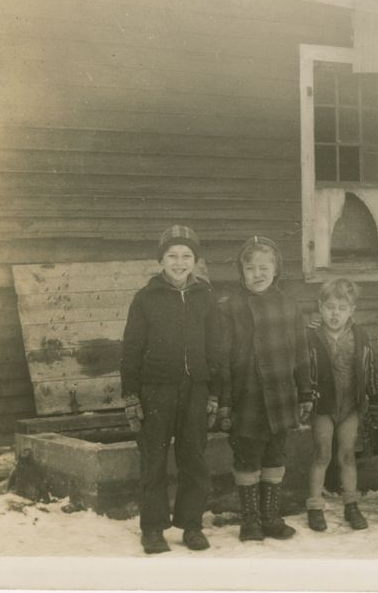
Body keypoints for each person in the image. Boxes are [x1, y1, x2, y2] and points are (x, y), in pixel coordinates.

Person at [120, 225, 223, 554]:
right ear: (161, 260)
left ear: (196, 261)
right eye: (172, 256)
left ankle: (191, 524)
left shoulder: (205, 297)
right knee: (154, 459)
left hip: (196, 389)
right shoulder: (146, 298)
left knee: (194, 457)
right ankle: (152, 528)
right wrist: (131, 394)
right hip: (156, 391)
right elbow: (131, 349)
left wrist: (215, 392)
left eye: (186, 256)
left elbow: (216, 347)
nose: (179, 263)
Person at [216, 236, 311, 543]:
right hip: (248, 396)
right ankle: (250, 520)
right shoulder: (230, 308)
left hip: (281, 394)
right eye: (251, 267)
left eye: (264, 267)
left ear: (276, 269)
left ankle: (271, 516)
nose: (258, 273)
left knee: (275, 454)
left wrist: (305, 392)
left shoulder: (288, 305)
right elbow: (224, 359)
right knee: (248, 456)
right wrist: (226, 403)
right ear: (241, 272)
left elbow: (300, 353)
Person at [304, 277, 375, 533]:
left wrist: (367, 399)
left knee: (347, 454)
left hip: (350, 406)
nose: (335, 313)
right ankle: (314, 506)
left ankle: (351, 505)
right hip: (323, 405)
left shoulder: (360, 335)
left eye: (342, 308)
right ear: (320, 307)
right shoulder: (311, 335)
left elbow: (368, 369)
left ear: (352, 311)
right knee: (322, 453)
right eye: (330, 307)